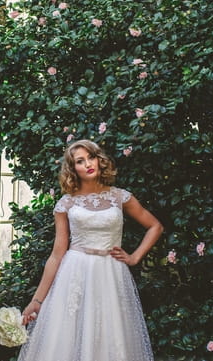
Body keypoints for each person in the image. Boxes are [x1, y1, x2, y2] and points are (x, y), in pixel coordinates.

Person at [17, 139, 163, 361]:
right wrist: (36, 301)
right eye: (80, 161)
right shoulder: (66, 204)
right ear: (72, 168)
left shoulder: (120, 196)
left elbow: (155, 226)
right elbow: (57, 254)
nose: (87, 164)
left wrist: (134, 257)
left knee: (112, 336)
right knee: (66, 338)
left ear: (99, 160)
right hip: (74, 274)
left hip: (110, 273)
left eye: (91, 157)